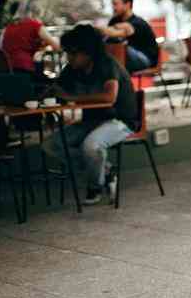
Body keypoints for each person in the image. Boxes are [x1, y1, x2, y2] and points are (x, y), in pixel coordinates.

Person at [42, 24, 138, 204]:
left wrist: (70, 97)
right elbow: (57, 90)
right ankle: (106, 171)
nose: (68, 57)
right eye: (67, 52)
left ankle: (95, 186)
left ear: (88, 52)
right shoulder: (72, 69)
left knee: (91, 146)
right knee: (51, 145)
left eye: (72, 52)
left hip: (120, 120)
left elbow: (110, 97)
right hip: (92, 121)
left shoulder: (107, 65)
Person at [98, 0, 159, 73]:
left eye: (116, 4)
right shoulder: (114, 20)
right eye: (112, 4)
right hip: (123, 58)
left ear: (127, 4)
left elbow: (116, 33)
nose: (113, 7)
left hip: (145, 60)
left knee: (116, 43)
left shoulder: (138, 22)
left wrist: (97, 29)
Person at [0, 0, 60, 78]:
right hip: (24, 70)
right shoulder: (35, 25)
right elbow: (56, 46)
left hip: (5, 70)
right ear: (32, 12)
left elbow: (2, 48)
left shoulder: (7, 28)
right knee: (48, 76)